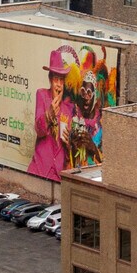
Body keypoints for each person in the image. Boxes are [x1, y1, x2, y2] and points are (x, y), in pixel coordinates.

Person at [27, 47, 77, 180]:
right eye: (56, 79)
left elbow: (67, 154)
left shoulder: (67, 110)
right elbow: (39, 130)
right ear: (50, 80)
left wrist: (68, 143)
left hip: (57, 175)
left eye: (62, 80)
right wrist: (49, 114)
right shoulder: (42, 95)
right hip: (39, 170)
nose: (59, 85)